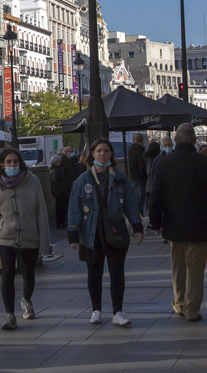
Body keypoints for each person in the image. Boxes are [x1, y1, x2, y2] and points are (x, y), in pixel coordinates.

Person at [149, 124, 207, 322]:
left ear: (175, 140)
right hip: (200, 223)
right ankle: (192, 308)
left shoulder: (164, 164)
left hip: (174, 223)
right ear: (194, 141)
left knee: (178, 265)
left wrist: (155, 221)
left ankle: (179, 302)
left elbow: (156, 196)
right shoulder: (205, 163)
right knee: (195, 267)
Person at [68, 138, 144, 327]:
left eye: (106, 151)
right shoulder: (82, 180)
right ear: (92, 154)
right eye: (99, 151)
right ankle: (96, 310)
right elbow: (75, 208)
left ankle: (118, 311)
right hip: (91, 234)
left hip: (115, 232)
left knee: (117, 273)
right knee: (94, 273)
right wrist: (73, 233)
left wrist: (137, 228)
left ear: (111, 154)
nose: (102, 154)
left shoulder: (120, 178)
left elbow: (131, 204)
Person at [0, 148, 50, 330]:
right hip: (6, 236)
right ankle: (9, 315)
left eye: (15, 162)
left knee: (28, 273)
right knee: (7, 274)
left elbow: (42, 213)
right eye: (8, 162)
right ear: (1, 164)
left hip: (30, 235)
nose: (12, 165)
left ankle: (26, 300)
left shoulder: (33, 182)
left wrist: (44, 244)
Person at [126, 133, 147, 214]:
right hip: (140, 178)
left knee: (134, 200)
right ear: (142, 140)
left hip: (132, 177)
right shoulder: (140, 151)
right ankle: (139, 219)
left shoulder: (130, 150)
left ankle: (135, 218)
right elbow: (141, 166)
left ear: (134, 140)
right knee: (140, 201)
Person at [50, 155, 70, 229]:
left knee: (62, 208)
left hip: (60, 191)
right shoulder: (55, 170)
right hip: (59, 192)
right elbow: (55, 181)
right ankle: (60, 223)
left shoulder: (57, 169)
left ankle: (62, 222)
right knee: (60, 208)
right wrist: (64, 186)